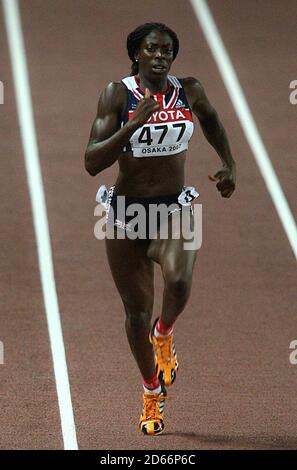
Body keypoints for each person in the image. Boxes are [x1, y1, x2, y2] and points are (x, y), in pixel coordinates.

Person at [85, 22, 236, 436]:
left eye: (167, 50)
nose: (160, 56)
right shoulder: (117, 95)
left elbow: (212, 121)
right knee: (135, 313)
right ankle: (152, 391)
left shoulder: (190, 90)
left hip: (173, 209)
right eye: (152, 49)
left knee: (180, 282)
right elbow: (92, 161)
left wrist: (229, 164)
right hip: (126, 215)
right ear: (136, 53)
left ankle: (164, 332)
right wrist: (132, 125)